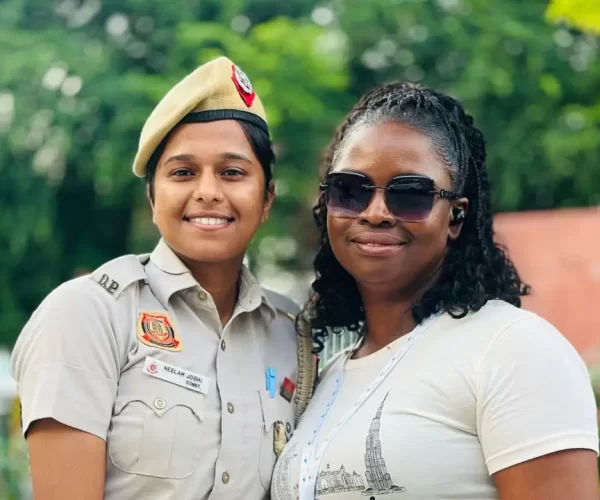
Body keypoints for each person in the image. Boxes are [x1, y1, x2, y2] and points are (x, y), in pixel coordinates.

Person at [272, 82, 599, 500]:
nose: (375, 213)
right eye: (350, 190)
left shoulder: (512, 350)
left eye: (410, 194)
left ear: (456, 217)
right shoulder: (329, 374)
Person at [11, 56, 315, 500]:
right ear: (153, 197)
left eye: (232, 172)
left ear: (266, 198)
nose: (208, 191)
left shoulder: (293, 334)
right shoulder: (90, 314)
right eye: (183, 172)